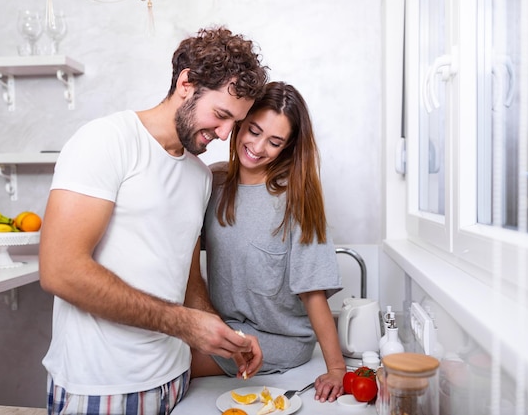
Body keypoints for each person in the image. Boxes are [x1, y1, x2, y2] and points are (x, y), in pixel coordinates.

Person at [39, 27, 269, 415]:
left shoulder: (197, 175)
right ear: (187, 82)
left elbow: (187, 276)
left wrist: (224, 335)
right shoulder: (106, 141)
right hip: (101, 388)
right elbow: (60, 271)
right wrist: (185, 325)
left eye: (236, 121)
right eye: (221, 114)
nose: (226, 133)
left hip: (175, 381)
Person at [190, 81, 347, 402]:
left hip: (278, 339)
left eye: (274, 142)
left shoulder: (296, 200)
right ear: (238, 123)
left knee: (170, 362)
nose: (258, 147)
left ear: (287, 147)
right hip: (227, 329)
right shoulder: (214, 182)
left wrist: (337, 369)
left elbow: (312, 292)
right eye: (253, 130)